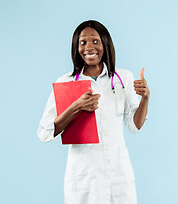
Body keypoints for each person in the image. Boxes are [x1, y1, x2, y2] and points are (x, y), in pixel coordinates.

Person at [38, 20, 150, 204]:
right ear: (76, 47)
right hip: (84, 178)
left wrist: (145, 98)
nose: (89, 47)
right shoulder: (65, 83)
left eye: (95, 41)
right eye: (83, 42)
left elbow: (135, 126)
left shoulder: (124, 78)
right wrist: (76, 106)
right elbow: (45, 132)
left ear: (105, 43)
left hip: (118, 174)